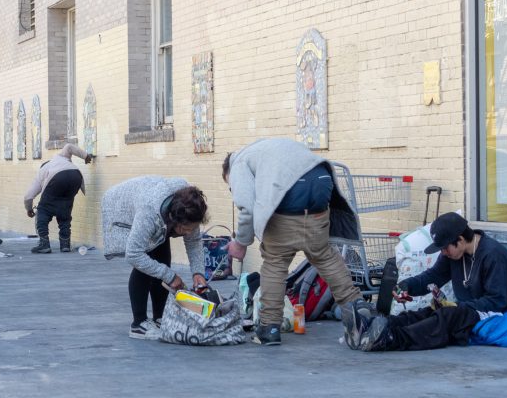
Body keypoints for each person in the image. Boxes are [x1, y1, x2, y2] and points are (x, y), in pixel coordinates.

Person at [223, 138, 372, 346]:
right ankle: (358, 311)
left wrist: (240, 243)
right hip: (322, 182)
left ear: (227, 174)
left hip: (291, 196)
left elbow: (246, 208)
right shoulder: (263, 149)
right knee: (325, 256)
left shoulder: (237, 165)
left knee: (275, 262)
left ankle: (269, 328)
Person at [343, 212, 507, 352]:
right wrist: (406, 286)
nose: (443, 253)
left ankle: (390, 338)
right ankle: (370, 328)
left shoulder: (494, 255)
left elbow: (498, 301)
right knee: (426, 312)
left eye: (445, 248)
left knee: (447, 316)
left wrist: (459, 307)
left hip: (493, 311)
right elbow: (433, 276)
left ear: (459, 240)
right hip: (467, 307)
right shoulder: (454, 254)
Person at [101, 177, 209, 340]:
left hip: (154, 203)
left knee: (162, 256)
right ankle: (138, 324)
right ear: (174, 219)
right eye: (186, 229)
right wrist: (170, 276)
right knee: (145, 259)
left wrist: (198, 273)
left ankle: (159, 318)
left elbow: (194, 241)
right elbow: (134, 255)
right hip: (121, 207)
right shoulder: (149, 212)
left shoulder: (190, 207)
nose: (189, 232)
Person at [24, 143, 94, 254]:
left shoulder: (43, 171)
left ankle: (44, 244)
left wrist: (29, 209)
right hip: (76, 176)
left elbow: (28, 196)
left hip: (57, 179)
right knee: (65, 211)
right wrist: (86, 156)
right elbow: (69, 146)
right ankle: (65, 245)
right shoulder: (62, 157)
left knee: (43, 210)